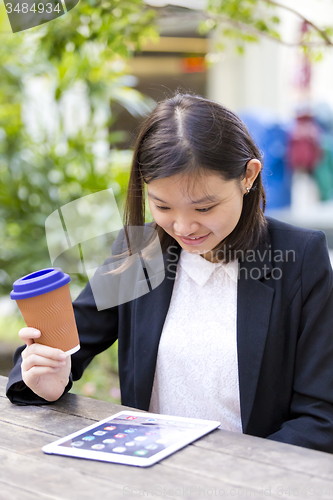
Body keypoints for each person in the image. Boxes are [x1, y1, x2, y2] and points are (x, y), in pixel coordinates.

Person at [6, 92, 333, 453]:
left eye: (205, 207)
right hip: (149, 477)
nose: (182, 226)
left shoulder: (299, 258)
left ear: (248, 176)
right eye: (162, 205)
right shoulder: (142, 250)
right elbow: (64, 348)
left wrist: (237, 477)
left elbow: (321, 417)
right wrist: (46, 378)